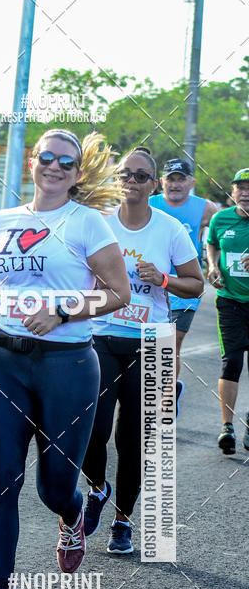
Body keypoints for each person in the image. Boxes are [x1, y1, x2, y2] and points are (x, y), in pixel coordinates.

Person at [0, 129, 130, 589]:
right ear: (33, 161)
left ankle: (73, 513)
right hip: (7, 360)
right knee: (0, 475)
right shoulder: (4, 220)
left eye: (65, 163)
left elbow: (118, 292)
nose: (54, 167)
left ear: (76, 175)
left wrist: (63, 311)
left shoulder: (86, 222)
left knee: (54, 487)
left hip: (67, 365)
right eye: (46, 157)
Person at [82, 148, 203, 554]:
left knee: (133, 439)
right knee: (91, 433)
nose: (132, 181)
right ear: (117, 180)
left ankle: (122, 521)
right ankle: (98, 489)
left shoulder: (169, 229)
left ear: (154, 185)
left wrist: (164, 279)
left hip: (152, 340)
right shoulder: (97, 223)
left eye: (141, 176)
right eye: (126, 174)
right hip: (100, 333)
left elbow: (196, 283)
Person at [149, 158, 218, 414]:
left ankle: (165, 400)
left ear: (191, 182)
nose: (175, 184)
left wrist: (215, 263)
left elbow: (221, 232)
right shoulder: (148, 203)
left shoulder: (205, 208)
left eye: (181, 179)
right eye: (171, 178)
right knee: (150, 346)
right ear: (161, 182)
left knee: (169, 344)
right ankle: (166, 387)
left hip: (184, 288)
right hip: (150, 287)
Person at [206, 167, 249, 455]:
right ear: (232, 192)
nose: (245, 193)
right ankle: (227, 427)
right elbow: (211, 244)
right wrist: (212, 265)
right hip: (230, 300)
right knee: (231, 361)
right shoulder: (221, 219)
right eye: (240, 187)